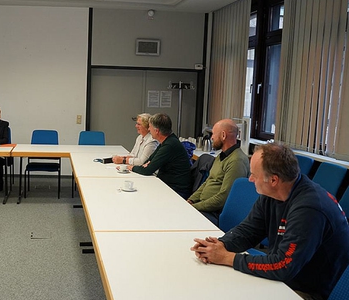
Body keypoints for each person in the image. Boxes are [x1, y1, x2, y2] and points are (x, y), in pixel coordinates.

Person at [190, 143, 349, 299]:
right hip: (287, 277)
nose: (250, 179)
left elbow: (283, 266)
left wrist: (226, 257)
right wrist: (219, 245)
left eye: (254, 175)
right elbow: (249, 230)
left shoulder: (309, 209)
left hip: (305, 290)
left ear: (273, 180)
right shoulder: (274, 194)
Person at [187, 119, 249, 225]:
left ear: (223, 135)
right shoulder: (221, 156)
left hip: (215, 213)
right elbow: (207, 181)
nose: (212, 138)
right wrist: (190, 200)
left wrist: (195, 207)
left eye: (214, 134)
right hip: (204, 207)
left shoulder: (236, 161)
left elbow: (224, 197)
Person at [126, 113, 191, 198]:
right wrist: (145, 166)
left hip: (175, 190)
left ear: (156, 131)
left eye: (150, 127)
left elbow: (148, 170)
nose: (148, 129)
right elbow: (148, 161)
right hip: (168, 184)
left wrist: (132, 167)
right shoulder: (166, 141)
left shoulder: (169, 145)